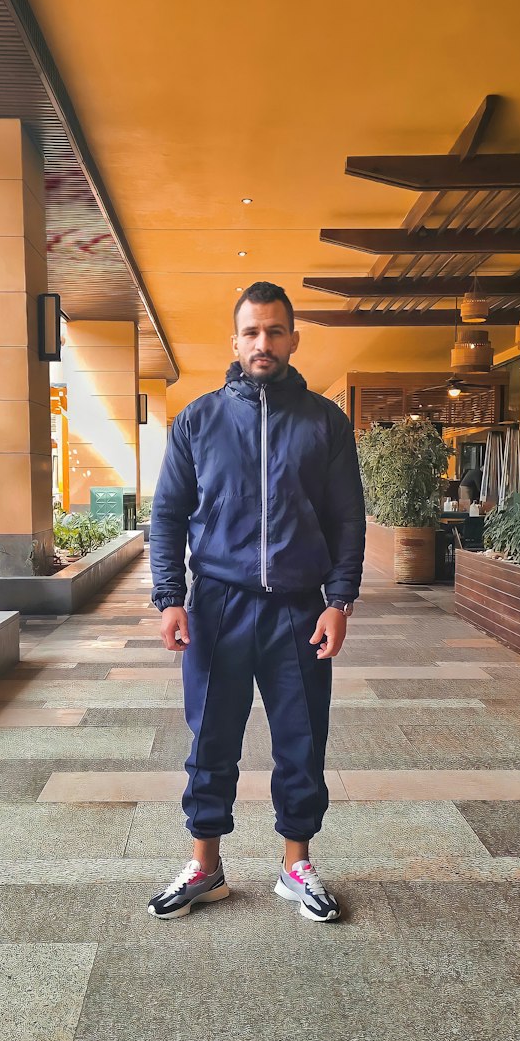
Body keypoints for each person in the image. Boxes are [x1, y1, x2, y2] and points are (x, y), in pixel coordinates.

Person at [148, 280, 366, 923]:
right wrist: (170, 597)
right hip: (218, 606)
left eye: (274, 331)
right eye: (251, 332)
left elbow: (347, 518)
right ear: (235, 339)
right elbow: (166, 516)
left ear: (294, 339)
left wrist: (340, 599)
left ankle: (296, 865)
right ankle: (205, 866)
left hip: (300, 609)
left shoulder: (325, 423)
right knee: (210, 737)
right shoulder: (198, 419)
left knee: (301, 740)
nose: (262, 343)